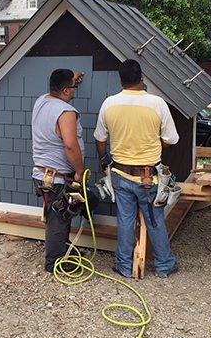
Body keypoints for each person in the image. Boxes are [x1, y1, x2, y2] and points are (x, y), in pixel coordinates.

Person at [94, 59, 180, 278]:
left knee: (124, 220)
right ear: (142, 78)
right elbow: (172, 138)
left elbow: (100, 139)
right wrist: (155, 145)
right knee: (154, 220)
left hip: (120, 174)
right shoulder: (157, 103)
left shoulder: (109, 104)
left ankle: (123, 265)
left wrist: (103, 159)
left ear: (120, 80)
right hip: (147, 178)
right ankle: (164, 265)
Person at [31, 69, 85, 273]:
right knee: (58, 220)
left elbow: (59, 78)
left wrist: (73, 75)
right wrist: (79, 171)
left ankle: (62, 252)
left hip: (42, 174)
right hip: (57, 179)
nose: (74, 90)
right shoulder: (66, 112)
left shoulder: (42, 101)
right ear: (64, 90)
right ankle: (54, 264)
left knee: (60, 216)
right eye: (73, 87)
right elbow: (70, 146)